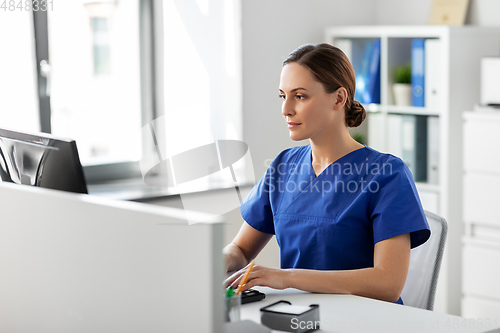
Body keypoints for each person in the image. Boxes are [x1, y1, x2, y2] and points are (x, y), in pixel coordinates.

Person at [223, 43, 430, 304]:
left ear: (339, 98)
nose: (286, 109)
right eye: (282, 96)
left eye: (299, 96)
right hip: (297, 316)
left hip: (367, 322)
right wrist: (218, 261)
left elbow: (388, 284)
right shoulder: (282, 167)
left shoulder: (387, 174)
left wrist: (286, 278)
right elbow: (241, 250)